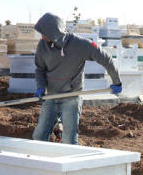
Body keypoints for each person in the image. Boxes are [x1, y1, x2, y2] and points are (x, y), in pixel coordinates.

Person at [32, 12, 122, 145]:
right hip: (51, 97)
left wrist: (116, 81)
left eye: (45, 33)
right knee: (39, 136)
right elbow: (40, 69)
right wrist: (40, 86)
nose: (42, 36)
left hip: (71, 97)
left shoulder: (80, 45)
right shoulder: (43, 45)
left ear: (54, 32)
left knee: (69, 140)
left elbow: (106, 59)